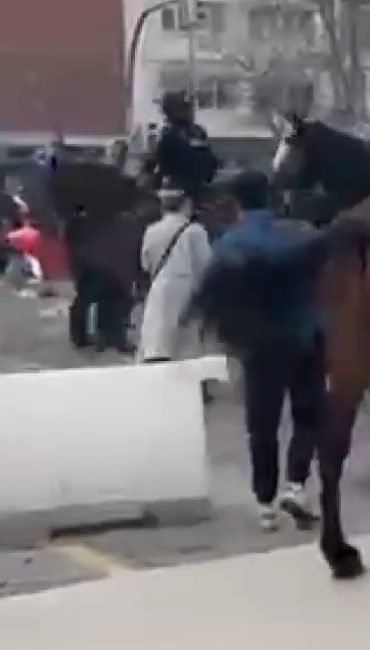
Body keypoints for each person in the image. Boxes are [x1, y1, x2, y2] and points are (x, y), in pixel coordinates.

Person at [207, 170, 322, 531]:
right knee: (307, 417)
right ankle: (297, 485)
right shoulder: (301, 235)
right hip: (302, 338)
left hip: (256, 345)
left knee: (262, 425)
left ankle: (265, 504)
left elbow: (217, 294)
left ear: (236, 202)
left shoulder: (228, 244)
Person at [137, 186, 212, 363]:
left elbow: (145, 263)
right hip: (186, 287)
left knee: (157, 334)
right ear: (186, 204)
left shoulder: (151, 230)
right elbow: (205, 264)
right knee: (185, 337)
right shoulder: (195, 231)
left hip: (159, 284)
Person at [146, 90, 220, 205]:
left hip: (179, 191)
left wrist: (153, 182)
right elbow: (212, 162)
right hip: (201, 188)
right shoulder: (198, 131)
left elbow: (159, 163)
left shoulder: (170, 134)